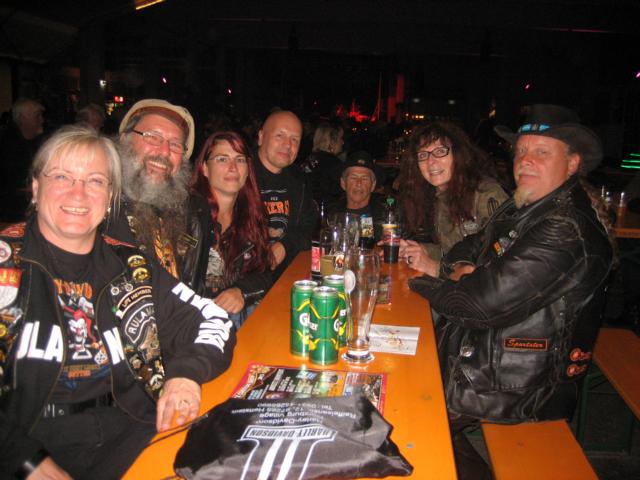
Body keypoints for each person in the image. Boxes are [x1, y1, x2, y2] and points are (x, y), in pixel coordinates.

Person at [0, 126, 235, 479]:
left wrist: (185, 374)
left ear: (110, 195)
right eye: (62, 176)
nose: (78, 193)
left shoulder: (132, 265)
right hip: (33, 444)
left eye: (95, 181)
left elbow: (213, 319)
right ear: (36, 187)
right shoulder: (6, 263)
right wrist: (22, 459)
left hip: (135, 432)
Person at [411, 104, 614, 479]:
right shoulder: (525, 204)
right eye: (521, 151)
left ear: (572, 164)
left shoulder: (565, 227)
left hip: (517, 384)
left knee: (406, 412)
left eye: (542, 152)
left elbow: (477, 305)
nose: (526, 160)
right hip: (485, 355)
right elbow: (469, 245)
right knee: (403, 376)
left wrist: (417, 282)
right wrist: (461, 271)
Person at [108, 99, 212, 294]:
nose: (164, 152)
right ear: (124, 139)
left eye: (175, 145)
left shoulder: (194, 212)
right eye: (153, 137)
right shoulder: (97, 208)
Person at [398, 120, 508, 275]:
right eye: (423, 155)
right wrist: (420, 250)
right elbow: (452, 252)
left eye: (440, 151)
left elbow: (499, 265)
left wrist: (433, 267)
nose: (431, 162)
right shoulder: (439, 198)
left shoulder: (486, 193)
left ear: (458, 155)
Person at [191, 131, 273, 329]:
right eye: (222, 159)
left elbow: (264, 272)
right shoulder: (188, 216)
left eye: (240, 159)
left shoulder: (252, 217)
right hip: (194, 322)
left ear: (248, 170)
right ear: (204, 168)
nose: (233, 167)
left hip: (234, 320)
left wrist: (240, 291)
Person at [254, 110, 316, 279]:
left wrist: (285, 245)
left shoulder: (299, 181)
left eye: (294, 139)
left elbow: (310, 228)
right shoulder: (239, 174)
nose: (288, 145)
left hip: (286, 277)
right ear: (261, 137)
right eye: (280, 135)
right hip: (245, 281)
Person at [0, 98, 47, 222]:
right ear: (23, 118)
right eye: (37, 116)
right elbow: (10, 183)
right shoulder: (7, 144)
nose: (42, 120)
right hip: (10, 215)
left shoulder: (35, 142)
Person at [328, 150, 386, 248]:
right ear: (343, 183)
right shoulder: (330, 216)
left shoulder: (385, 217)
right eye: (353, 178)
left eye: (364, 178)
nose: (359, 183)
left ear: (373, 185)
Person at [301, 121, 345, 204]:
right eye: (341, 138)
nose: (342, 142)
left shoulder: (309, 159)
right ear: (332, 142)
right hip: (325, 208)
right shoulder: (334, 164)